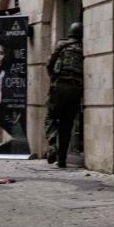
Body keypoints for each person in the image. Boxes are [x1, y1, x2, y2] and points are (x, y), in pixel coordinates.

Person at [45, 22, 83, 168]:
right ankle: (62, 160)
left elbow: (50, 64)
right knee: (67, 125)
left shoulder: (62, 44)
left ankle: (52, 144)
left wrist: (53, 78)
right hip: (76, 89)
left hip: (60, 86)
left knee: (50, 117)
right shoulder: (83, 49)